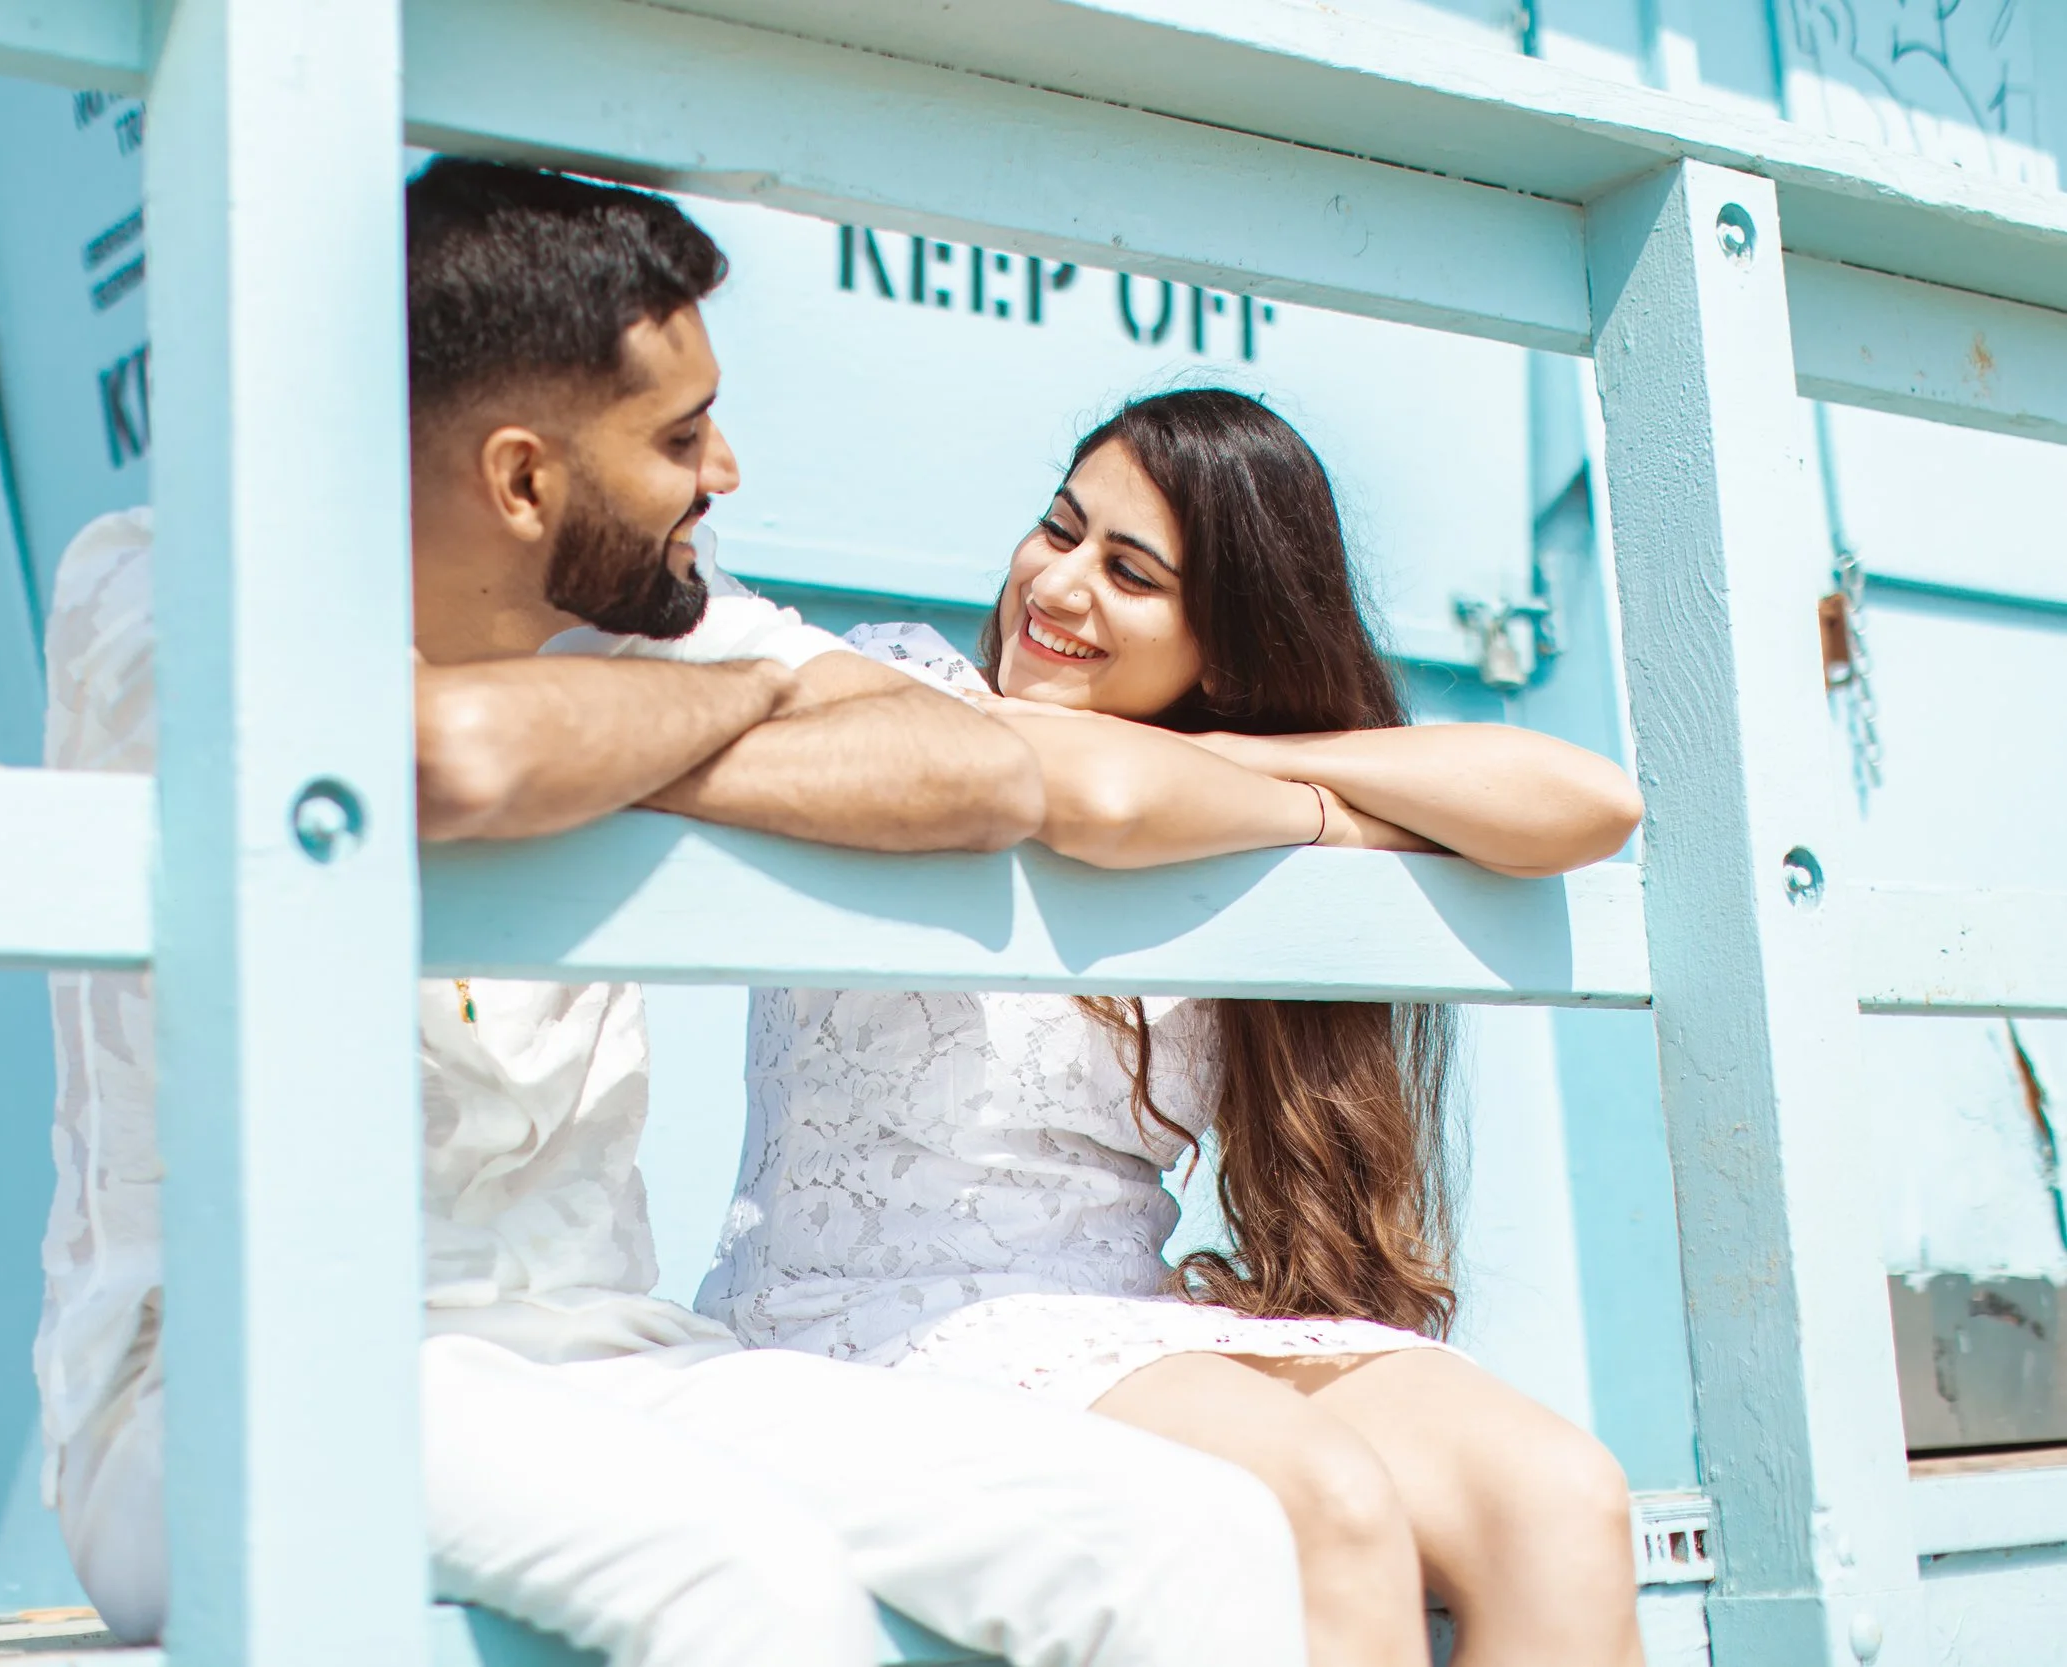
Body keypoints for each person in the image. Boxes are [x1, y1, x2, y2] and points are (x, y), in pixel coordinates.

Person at [35, 163, 1311, 1667]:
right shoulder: (167, 575)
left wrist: (629, 742)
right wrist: (742, 704)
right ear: (523, 481)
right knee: (744, 1574)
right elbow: (444, 754)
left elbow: (974, 769)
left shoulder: (663, 623)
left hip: (601, 1347)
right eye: (679, 436)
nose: (726, 471)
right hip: (236, 1379)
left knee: (1194, 1534)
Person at [699, 389, 1651, 1667]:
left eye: (1131, 573)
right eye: (1060, 529)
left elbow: (1587, 803)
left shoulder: (1216, 786)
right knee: (1320, 1497)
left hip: (1116, 1315)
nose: (1059, 584)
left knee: (1558, 1496)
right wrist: (1327, 817)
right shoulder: (911, 686)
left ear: (1227, 646)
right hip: (870, 1310)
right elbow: (1093, 792)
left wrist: (1255, 757)